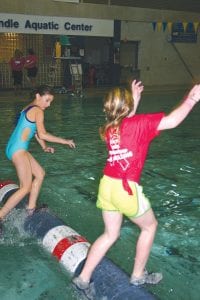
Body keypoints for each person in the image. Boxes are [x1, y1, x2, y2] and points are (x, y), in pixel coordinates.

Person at [72, 80, 200, 296]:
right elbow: (172, 121)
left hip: (107, 186)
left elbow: (127, 123)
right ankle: (138, 275)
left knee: (109, 234)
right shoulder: (140, 123)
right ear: (127, 107)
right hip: (125, 189)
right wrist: (192, 99)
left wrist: (134, 100)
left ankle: (83, 278)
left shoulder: (110, 128)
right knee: (150, 226)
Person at [0, 85, 75, 233]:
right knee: (25, 187)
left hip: (14, 147)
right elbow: (43, 134)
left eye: (50, 102)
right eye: (47, 100)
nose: (48, 105)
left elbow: (33, 132)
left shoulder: (28, 108)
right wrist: (64, 141)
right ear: (38, 96)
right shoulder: (38, 111)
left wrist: (44, 147)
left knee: (40, 174)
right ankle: (1, 215)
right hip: (18, 150)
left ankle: (31, 208)